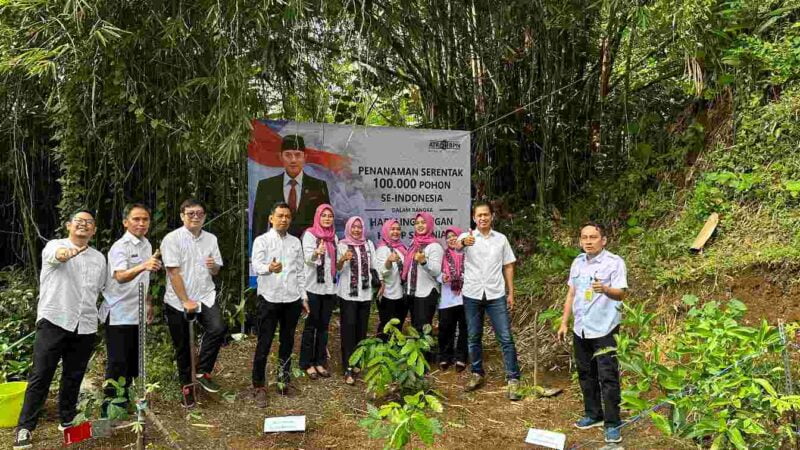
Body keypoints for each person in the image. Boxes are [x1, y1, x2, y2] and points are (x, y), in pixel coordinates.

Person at [14, 210, 106, 450]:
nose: (84, 225)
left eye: (89, 223)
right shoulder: (55, 245)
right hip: (54, 320)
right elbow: (57, 256)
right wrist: (68, 253)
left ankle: (67, 420)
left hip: (85, 324)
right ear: (68, 225)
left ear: (94, 230)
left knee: (73, 376)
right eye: (79, 222)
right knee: (41, 375)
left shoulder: (99, 258)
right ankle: (25, 428)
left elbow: (105, 289)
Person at [557, 222, 628, 444]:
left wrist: (605, 289)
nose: (588, 241)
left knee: (607, 376)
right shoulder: (577, 262)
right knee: (586, 373)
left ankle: (613, 423)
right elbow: (571, 293)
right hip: (582, 328)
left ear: (603, 240)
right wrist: (564, 322)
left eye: (593, 237)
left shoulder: (614, 263)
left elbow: (622, 293)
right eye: (584, 237)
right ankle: (593, 414)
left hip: (605, 328)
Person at [160, 198, 226, 408]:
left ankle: (202, 370)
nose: (195, 217)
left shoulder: (211, 239)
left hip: (205, 294)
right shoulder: (172, 239)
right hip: (178, 300)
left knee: (217, 329)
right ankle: (187, 388)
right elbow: (172, 272)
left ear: (204, 216)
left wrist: (213, 265)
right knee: (183, 346)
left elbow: (216, 270)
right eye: (190, 213)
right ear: (182, 216)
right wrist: (185, 300)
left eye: (199, 213)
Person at [99, 204, 161, 417]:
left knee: (135, 362)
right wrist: (144, 265)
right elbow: (120, 276)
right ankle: (109, 411)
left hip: (138, 311)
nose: (141, 223)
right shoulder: (120, 247)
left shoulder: (146, 244)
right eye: (136, 219)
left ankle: (128, 405)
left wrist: (149, 303)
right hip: (119, 313)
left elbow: (145, 278)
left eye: (145, 219)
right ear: (125, 222)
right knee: (118, 363)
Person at [457, 201, 522, 401]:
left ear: (492, 216)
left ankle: (513, 378)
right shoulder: (467, 238)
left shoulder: (501, 239)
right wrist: (463, 243)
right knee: (474, 336)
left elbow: (509, 266)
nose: (483, 218)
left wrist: (510, 292)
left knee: (505, 337)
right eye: (479, 215)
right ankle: (477, 373)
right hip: (472, 294)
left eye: (486, 214)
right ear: (474, 218)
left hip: (495, 294)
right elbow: (457, 246)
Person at [250, 202, 309, 407]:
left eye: (287, 216)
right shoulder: (262, 240)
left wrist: (303, 297)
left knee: (288, 341)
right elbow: (256, 265)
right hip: (269, 299)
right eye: (280, 215)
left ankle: (284, 381)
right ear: (271, 218)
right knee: (264, 343)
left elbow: (300, 271)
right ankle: (258, 386)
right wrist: (269, 267)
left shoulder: (295, 242)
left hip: (291, 299)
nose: (284, 219)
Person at [252, 134, 331, 239]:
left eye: (298, 155)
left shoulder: (318, 186)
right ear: (280, 157)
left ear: (305, 157)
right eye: (288, 155)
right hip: (276, 249)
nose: (293, 160)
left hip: (310, 249)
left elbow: (326, 223)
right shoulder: (266, 186)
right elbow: (259, 226)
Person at [336, 216, 378, 385]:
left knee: (361, 330)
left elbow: (374, 266)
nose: (357, 230)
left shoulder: (368, 245)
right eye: (353, 227)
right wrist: (342, 259)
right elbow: (338, 269)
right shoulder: (342, 244)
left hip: (365, 293)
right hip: (348, 294)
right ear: (348, 228)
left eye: (359, 227)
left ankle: (358, 361)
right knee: (348, 329)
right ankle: (347, 366)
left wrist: (380, 283)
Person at [299, 204, 338, 379]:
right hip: (313, 287)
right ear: (318, 217)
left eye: (330, 216)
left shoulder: (334, 237)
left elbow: (334, 265)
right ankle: (306, 363)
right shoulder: (310, 234)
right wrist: (316, 252)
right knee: (310, 327)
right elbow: (307, 259)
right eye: (324, 216)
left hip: (329, 288)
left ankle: (320, 361)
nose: (327, 219)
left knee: (323, 327)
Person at [402, 212, 443, 363]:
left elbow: (437, 272)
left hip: (427, 293)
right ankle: (418, 359)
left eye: (423, 222)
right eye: (417, 222)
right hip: (413, 292)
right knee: (415, 327)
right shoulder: (414, 244)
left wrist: (424, 262)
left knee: (423, 329)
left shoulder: (434, 246)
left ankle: (423, 362)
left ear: (429, 225)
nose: (420, 225)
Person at [437, 226, 468, 372]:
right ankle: (445, 356)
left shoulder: (467, 253)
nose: (451, 239)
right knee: (445, 328)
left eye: (454, 236)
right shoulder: (442, 255)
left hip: (465, 297)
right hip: (447, 298)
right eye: (448, 237)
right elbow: (436, 273)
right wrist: (442, 277)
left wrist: (463, 277)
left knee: (464, 329)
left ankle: (461, 357)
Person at [374, 219, 408, 340]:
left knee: (398, 327)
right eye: (392, 229)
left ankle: (394, 353)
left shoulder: (402, 248)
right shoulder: (382, 249)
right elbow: (381, 272)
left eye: (398, 229)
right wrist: (388, 261)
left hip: (401, 294)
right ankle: (382, 353)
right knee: (386, 327)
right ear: (386, 231)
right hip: (387, 294)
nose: (396, 232)